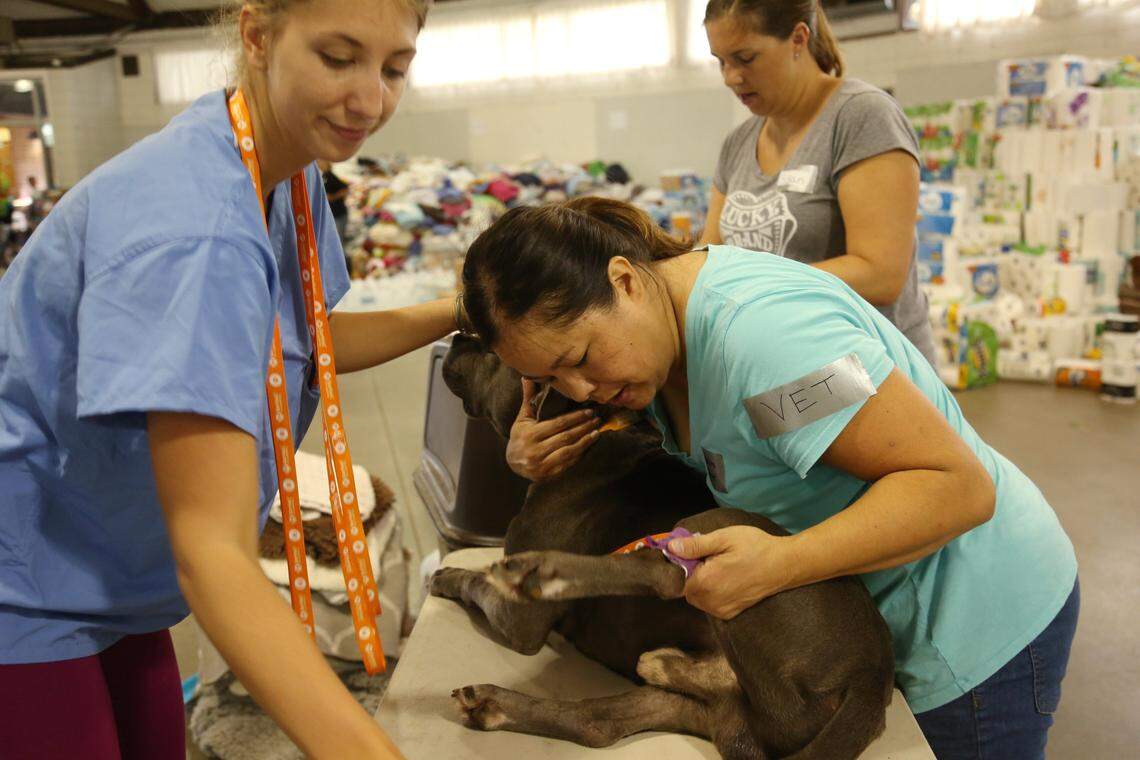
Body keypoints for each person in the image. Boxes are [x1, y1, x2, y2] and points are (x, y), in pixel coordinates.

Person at [457, 197, 1079, 760]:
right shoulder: (652, 344)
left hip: (971, 617)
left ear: (623, 281)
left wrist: (781, 564)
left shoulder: (770, 347)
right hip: (873, 614)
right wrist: (529, 442)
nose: (581, 392)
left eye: (580, 361)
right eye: (550, 381)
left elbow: (957, 488)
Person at [0, 2, 445, 757]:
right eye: (338, 58)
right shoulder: (193, 226)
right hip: (26, 576)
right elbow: (214, 553)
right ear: (257, 34)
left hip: (108, 564)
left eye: (394, 68)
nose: (370, 100)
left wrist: (459, 309)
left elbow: (295, 345)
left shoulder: (280, 169)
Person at [699, 0, 936, 366]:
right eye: (721, 61)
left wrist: (752, 286)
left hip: (872, 369)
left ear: (798, 38)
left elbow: (881, 274)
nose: (731, 77)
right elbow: (709, 260)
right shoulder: (738, 143)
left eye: (745, 58)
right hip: (789, 366)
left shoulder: (861, 116)